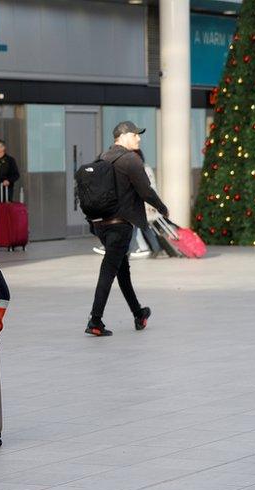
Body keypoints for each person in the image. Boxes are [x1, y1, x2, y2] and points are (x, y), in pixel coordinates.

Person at [85, 121, 169, 337]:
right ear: (122, 136)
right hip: (119, 226)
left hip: (102, 224)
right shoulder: (131, 159)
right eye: (135, 134)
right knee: (109, 271)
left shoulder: (102, 157)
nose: (139, 138)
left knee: (123, 271)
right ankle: (95, 320)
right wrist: (162, 208)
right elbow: (145, 191)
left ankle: (138, 313)